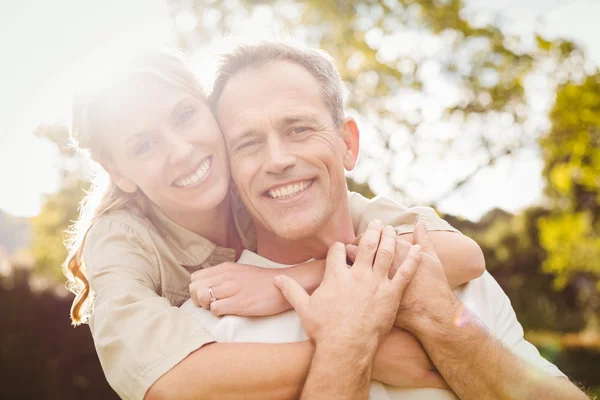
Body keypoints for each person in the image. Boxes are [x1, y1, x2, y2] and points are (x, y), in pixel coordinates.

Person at [64, 48, 484, 400]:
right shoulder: (120, 241)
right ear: (117, 171)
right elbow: (164, 378)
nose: (182, 150)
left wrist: (288, 281)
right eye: (144, 145)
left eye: (184, 115)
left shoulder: (269, 183)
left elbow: (460, 254)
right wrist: (362, 348)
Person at [190, 40, 586, 399]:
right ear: (230, 173)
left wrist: (439, 323)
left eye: (299, 128)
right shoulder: (206, 334)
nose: (277, 160)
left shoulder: (443, 271)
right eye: (249, 143)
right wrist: (348, 344)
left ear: (347, 144)